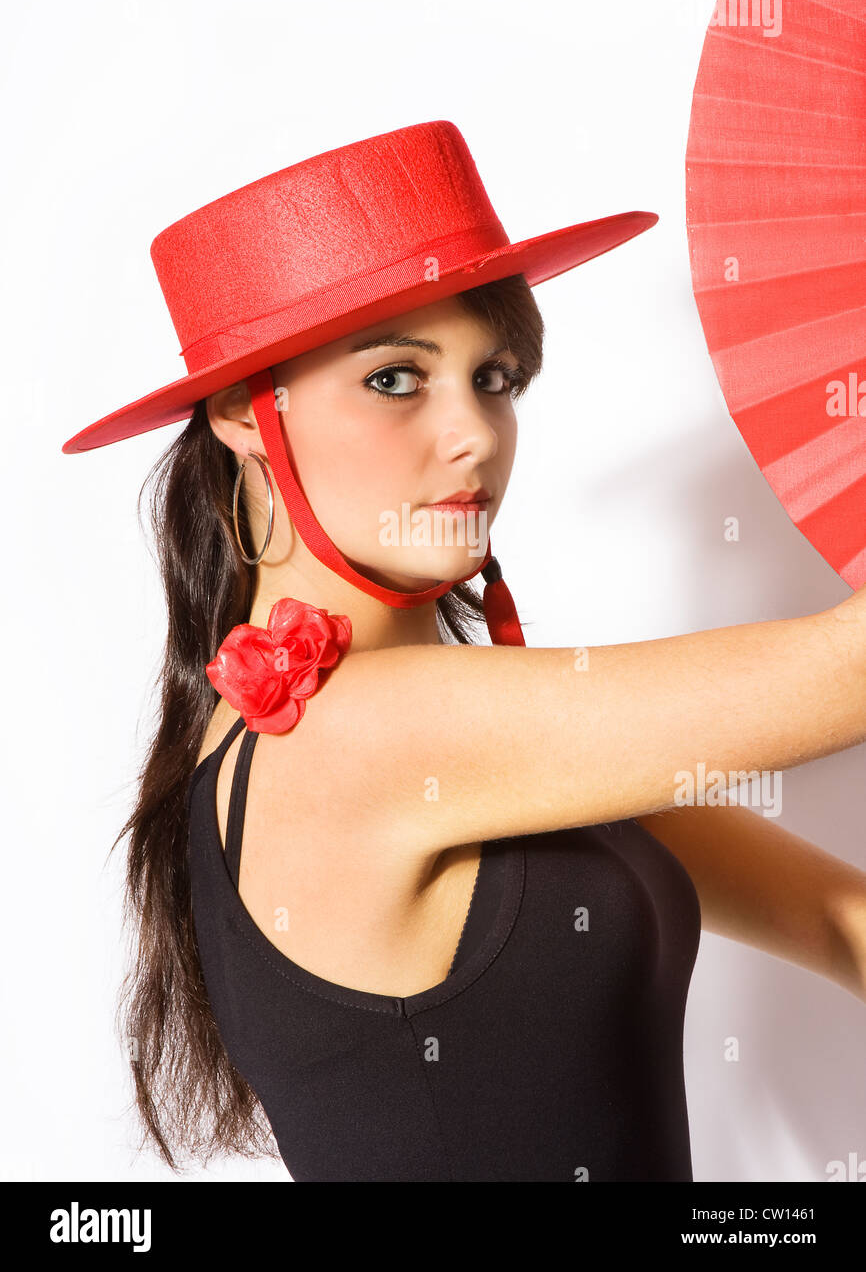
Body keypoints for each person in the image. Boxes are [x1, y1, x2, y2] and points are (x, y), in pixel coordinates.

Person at [63, 121, 866, 1181]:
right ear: (244, 413)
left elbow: (832, 915)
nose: (475, 435)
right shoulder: (360, 735)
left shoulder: (456, 734)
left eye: (495, 378)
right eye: (396, 378)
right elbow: (839, 675)